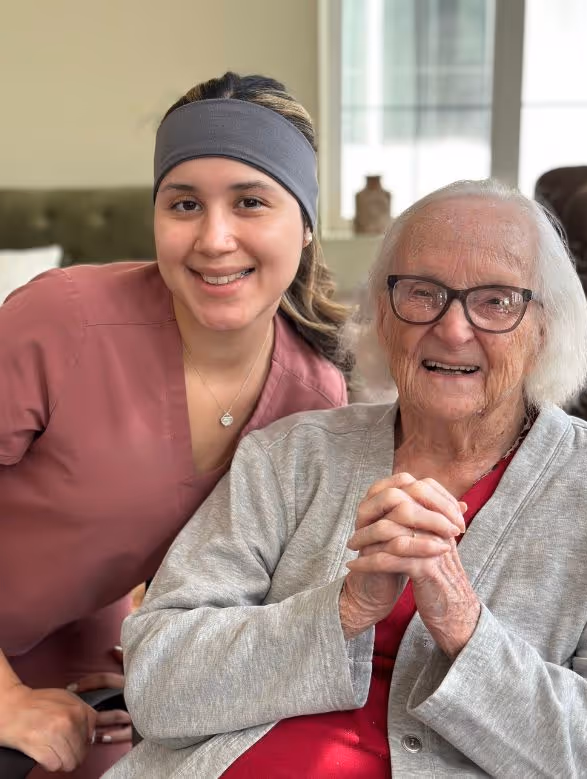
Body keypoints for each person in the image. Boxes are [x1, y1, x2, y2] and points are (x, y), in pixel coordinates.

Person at [106, 179, 587, 779]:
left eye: (497, 302)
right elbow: (155, 684)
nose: (453, 330)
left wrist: (463, 626)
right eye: (422, 294)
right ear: (382, 311)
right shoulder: (290, 456)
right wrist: (345, 609)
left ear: (544, 326)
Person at [0, 72, 352, 778]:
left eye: (250, 201)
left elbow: (268, 601)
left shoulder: (315, 398)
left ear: (306, 223)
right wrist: (5, 700)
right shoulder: (61, 321)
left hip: (77, 642)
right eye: (184, 203)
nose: (214, 238)